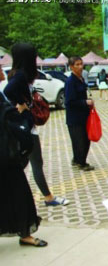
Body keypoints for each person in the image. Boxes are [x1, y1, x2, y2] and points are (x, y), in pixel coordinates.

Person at [4, 43, 69, 207]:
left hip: (22, 127)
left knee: (26, 163)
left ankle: (28, 197)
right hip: (25, 128)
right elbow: (8, 92)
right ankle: (47, 198)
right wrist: (22, 104)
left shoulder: (16, 74)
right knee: (34, 163)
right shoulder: (20, 76)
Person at [1, 43, 49, 247]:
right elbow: (7, 112)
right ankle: (25, 232)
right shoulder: (18, 76)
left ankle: (24, 232)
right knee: (19, 190)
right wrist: (20, 110)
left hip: (7, 149)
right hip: (6, 153)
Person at [65, 56, 95, 171]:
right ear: (71, 67)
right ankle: (81, 162)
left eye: (81, 64)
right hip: (74, 117)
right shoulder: (70, 81)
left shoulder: (81, 79)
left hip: (84, 115)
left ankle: (77, 159)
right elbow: (69, 101)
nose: (80, 66)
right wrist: (85, 102)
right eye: (77, 64)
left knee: (84, 139)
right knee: (80, 140)